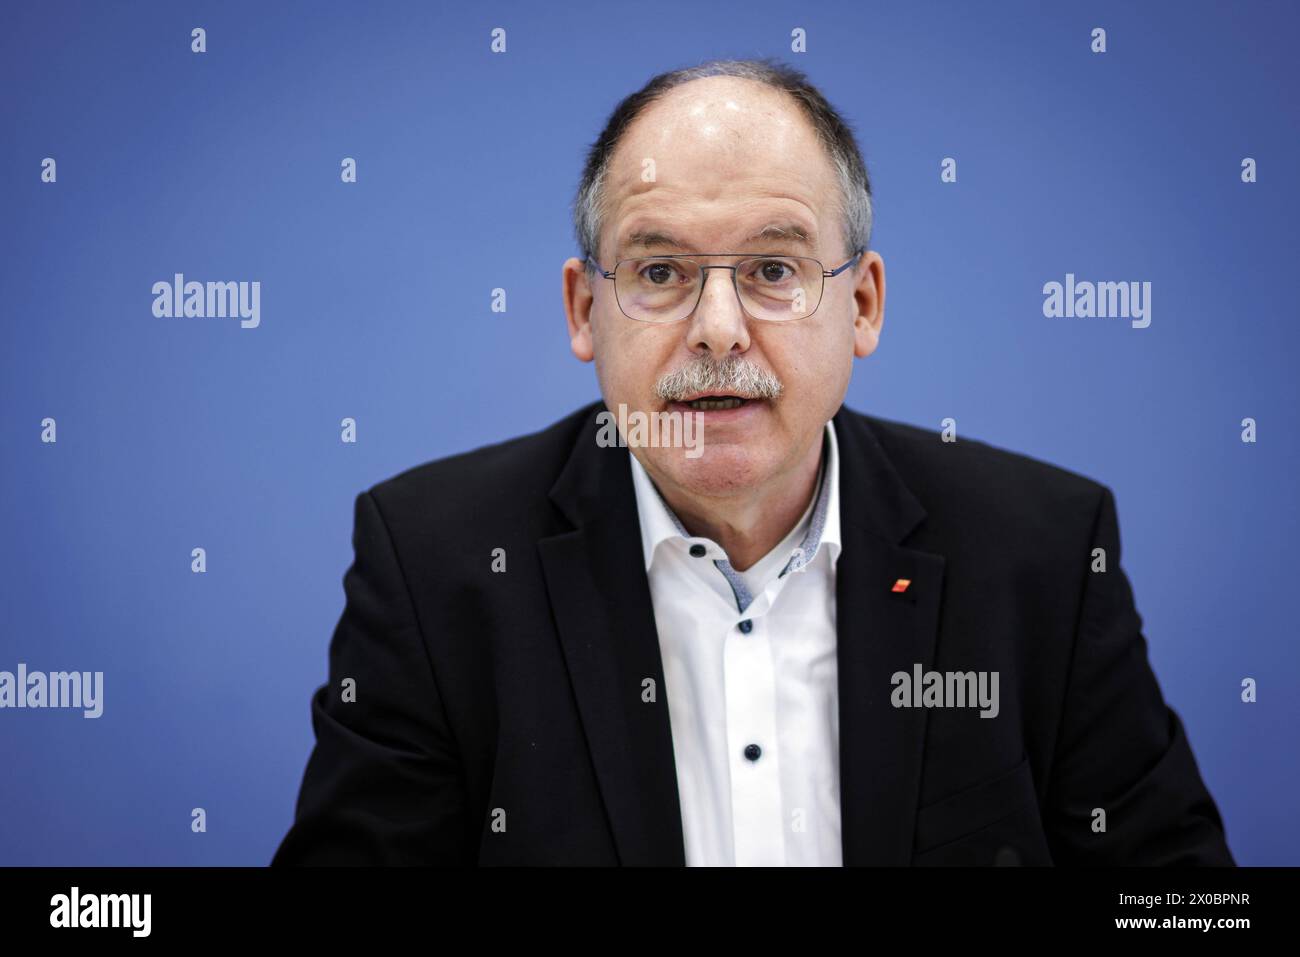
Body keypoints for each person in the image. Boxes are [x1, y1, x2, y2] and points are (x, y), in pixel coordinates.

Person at [272, 58, 1233, 866]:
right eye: (659, 273)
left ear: (861, 305)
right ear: (582, 310)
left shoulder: (1045, 553)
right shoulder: (436, 565)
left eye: (774, 271)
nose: (719, 332)